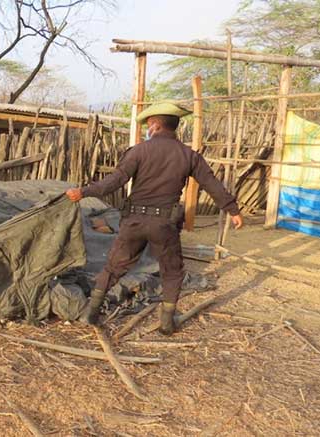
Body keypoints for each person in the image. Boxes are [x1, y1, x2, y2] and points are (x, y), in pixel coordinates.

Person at [66, 102, 244, 335]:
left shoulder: (139, 151)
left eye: (149, 125)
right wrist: (232, 210)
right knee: (172, 271)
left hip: (134, 222)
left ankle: (91, 313)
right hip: (164, 225)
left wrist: (83, 192)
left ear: (155, 125)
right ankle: (167, 322)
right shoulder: (189, 155)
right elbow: (211, 184)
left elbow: (115, 181)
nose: (148, 129)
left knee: (114, 266)